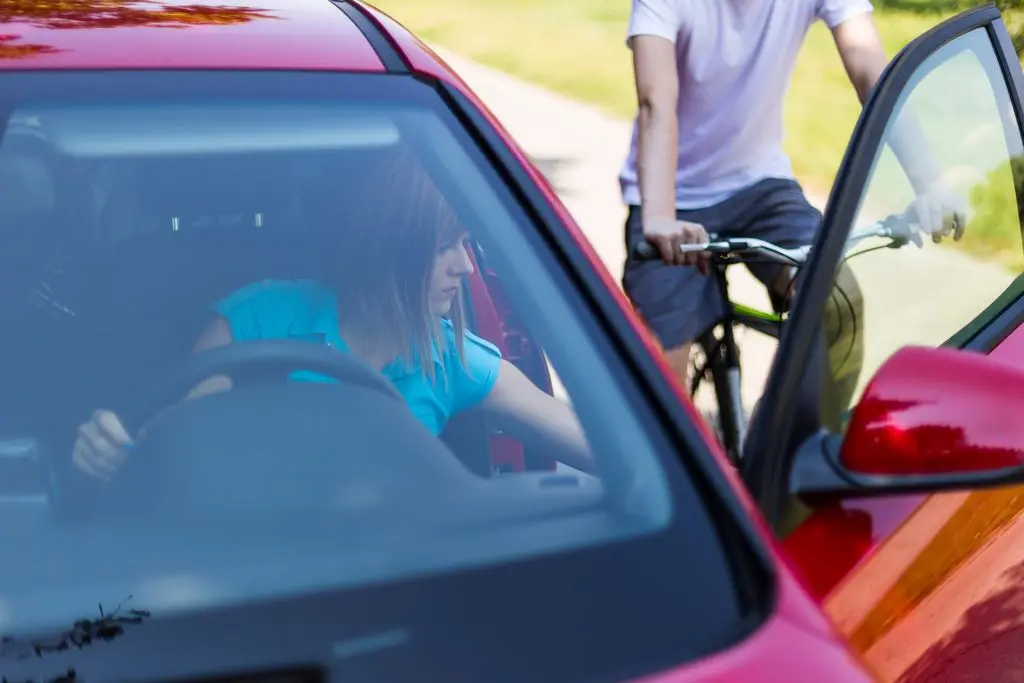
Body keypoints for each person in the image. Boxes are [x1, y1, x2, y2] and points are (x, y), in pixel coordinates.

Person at [70, 149, 595, 480]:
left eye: (465, 244)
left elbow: (597, 445)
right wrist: (113, 451)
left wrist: (662, 450)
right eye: (444, 248)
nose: (464, 266)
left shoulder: (447, 357)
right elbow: (173, 441)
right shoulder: (257, 318)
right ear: (394, 246)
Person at [621, 0, 966, 387]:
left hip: (761, 186)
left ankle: (784, 441)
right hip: (670, 198)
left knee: (836, 302)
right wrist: (661, 215)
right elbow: (656, 102)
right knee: (660, 381)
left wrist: (930, 184)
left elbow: (870, 69)